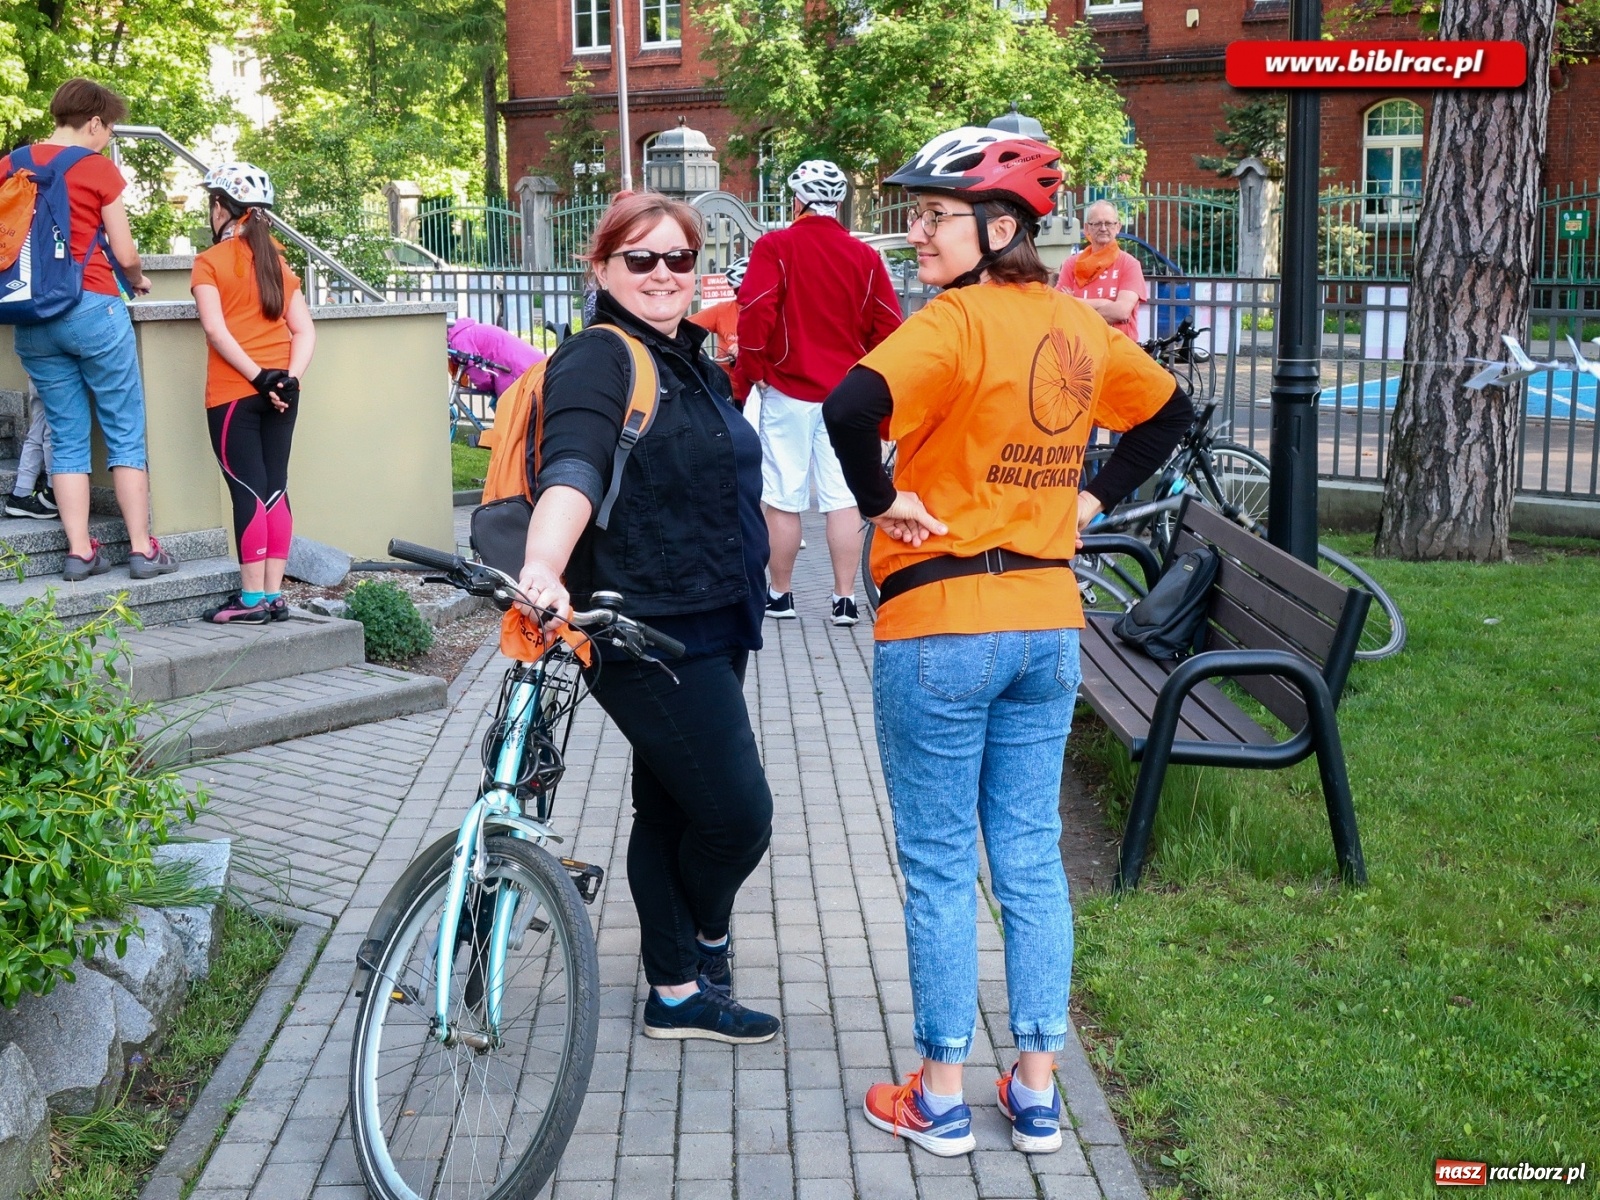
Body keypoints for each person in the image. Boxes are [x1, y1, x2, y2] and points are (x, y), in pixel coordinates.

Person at [822, 127, 1192, 1157]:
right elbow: (1171, 415)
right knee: (1028, 858)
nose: (916, 233)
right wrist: (1089, 500)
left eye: (933, 216)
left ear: (997, 227)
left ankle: (939, 1096)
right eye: (915, 215)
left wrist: (880, 502)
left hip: (942, 624)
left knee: (942, 865)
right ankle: (1036, 1093)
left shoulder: (954, 321)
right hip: (1044, 625)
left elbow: (848, 406)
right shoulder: (1074, 321)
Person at [515, 192, 780, 1045]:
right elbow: (575, 466)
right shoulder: (600, 357)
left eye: (679, 257)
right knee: (737, 816)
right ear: (601, 268)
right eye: (641, 258)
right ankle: (704, 941)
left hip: (713, 613)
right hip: (643, 624)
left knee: (671, 807)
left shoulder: (691, 358)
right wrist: (543, 565)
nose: (663, 273)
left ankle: (675, 990)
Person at [2, 79, 172, 582]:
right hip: (92, 306)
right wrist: (136, 279)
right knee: (124, 429)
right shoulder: (96, 167)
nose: (109, 137)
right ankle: (141, 549)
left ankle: (80, 553)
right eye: (109, 128)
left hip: (31, 319)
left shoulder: (10, 164)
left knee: (67, 435)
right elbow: (125, 252)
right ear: (94, 122)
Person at [737, 160, 903, 626]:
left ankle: (781, 594)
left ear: (797, 200)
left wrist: (754, 369)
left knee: (783, 497)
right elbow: (889, 326)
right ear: (838, 202)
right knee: (843, 496)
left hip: (788, 389)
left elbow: (755, 311)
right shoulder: (865, 256)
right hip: (847, 396)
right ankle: (844, 599)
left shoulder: (775, 246)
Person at [190, 163, 315, 624]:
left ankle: (250, 601)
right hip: (283, 390)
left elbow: (216, 330)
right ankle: (274, 596)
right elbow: (304, 331)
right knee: (275, 487)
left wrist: (260, 378)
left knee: (247, 490)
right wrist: (288, 379)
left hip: (234, 393)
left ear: (221, 207)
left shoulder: (209, 262)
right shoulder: (276, 261)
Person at [1057, 199, 1147, 342]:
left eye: (1109, 223)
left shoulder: (1129, 264)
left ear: (1118, 227)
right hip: (1079, 348)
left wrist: (1075, 302)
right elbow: (1059, 307)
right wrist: (1104, 303)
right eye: (1097, 223)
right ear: (1087, 228)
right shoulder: (1071, 265)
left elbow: (1122, 312)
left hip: (1117, 348)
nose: (1103, 228)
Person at [687, 255, 752, 406]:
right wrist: (696, 354)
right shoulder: (723, 311)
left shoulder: (772, 312)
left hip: (762, 391)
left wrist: (745, 348)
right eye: (736, 290)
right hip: (730, 392)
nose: (738, 296)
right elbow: (684, 327)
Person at [446, 317, 544, 400]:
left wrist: (486, 386)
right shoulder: (466, 332)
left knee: (509, 410)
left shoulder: (459, 341)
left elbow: (477, 372)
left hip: (514, 369)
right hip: (525, 362)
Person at [4, 385, 57, 519]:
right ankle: (53, 491)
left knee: (37, 432)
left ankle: (21, 493)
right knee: (53, 433)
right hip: (57, 377)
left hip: (38, 375)